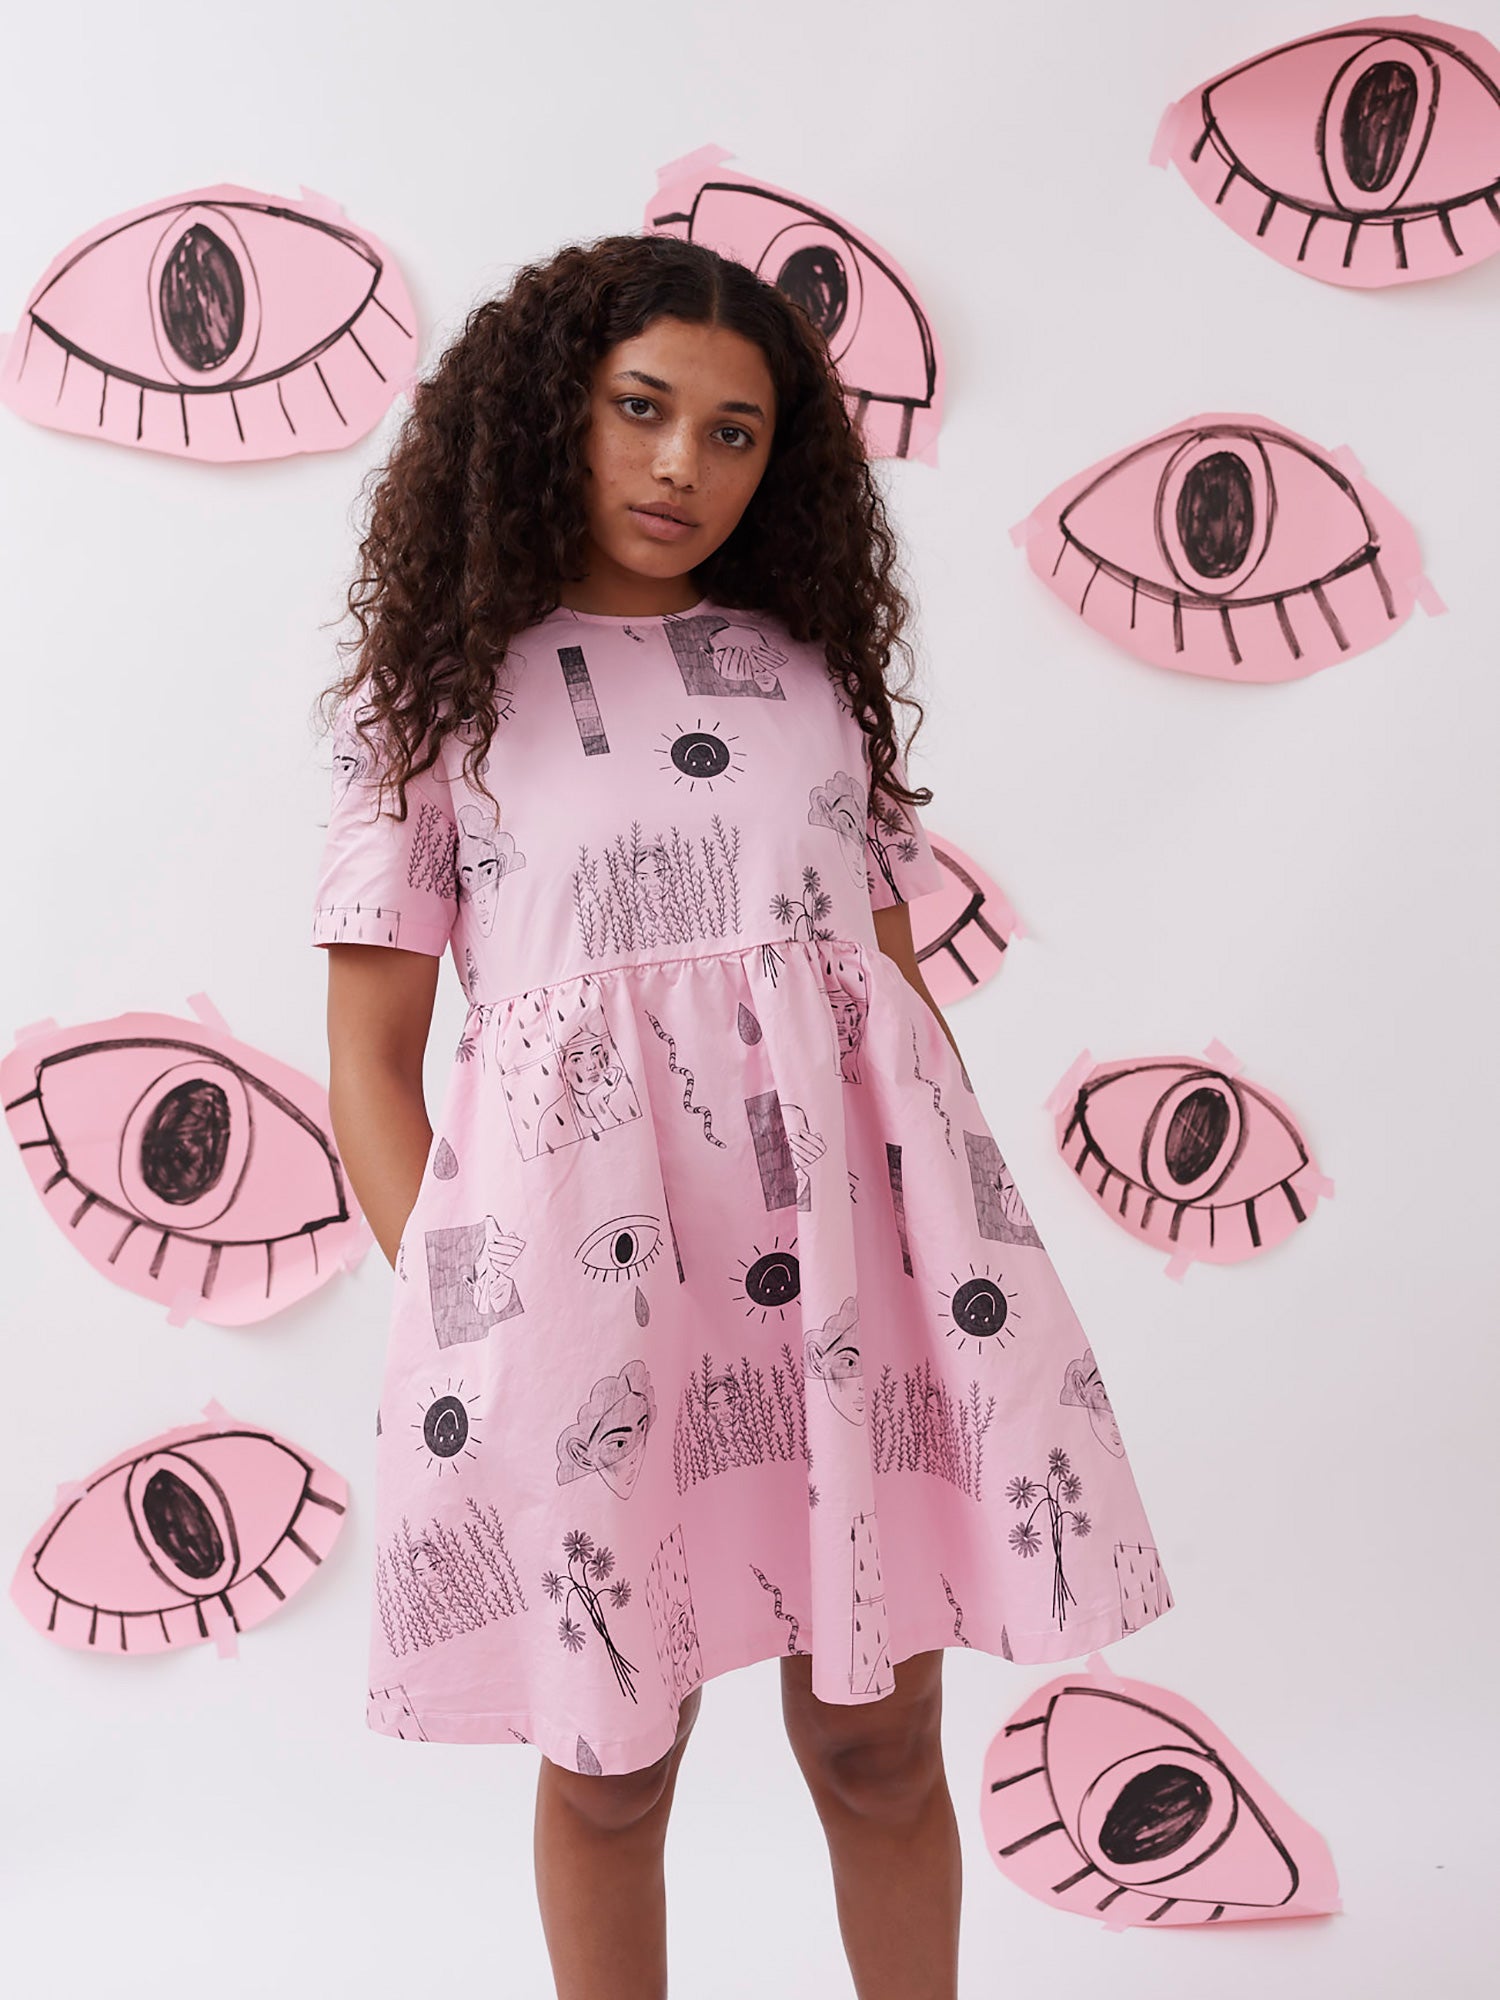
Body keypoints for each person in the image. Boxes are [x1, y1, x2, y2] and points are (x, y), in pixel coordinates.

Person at [308, 232, 1172, 2000]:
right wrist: (465, 1326)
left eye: (732, 432)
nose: (680, 466)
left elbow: (887, 1003)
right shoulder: (436, 701)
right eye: (641, 410)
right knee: (613, 1767)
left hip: (854, 1285)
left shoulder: (804, 674)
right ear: (551, 412)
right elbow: (370, 1064)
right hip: (586, 1309)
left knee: (878, 1738)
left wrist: (960, 1281)